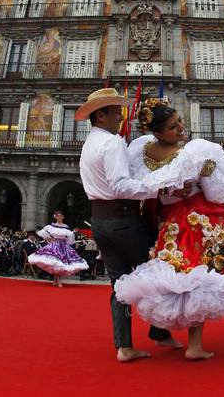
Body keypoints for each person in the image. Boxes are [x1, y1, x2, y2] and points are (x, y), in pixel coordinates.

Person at [114, 98, 224, 360]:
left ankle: (169, 336)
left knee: (184, 277)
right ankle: (194, 346)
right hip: (198, 220)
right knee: (203, 277)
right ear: (157, 132)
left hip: (169, 224)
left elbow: (143, 190)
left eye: (179, 121)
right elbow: (215, 191)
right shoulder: (191, 153)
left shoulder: (141, 153)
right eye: (173, 127)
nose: (180, 128)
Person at [78, 88, 184, 363]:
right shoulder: (111, 142)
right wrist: (160, 188)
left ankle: (124, 345)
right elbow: (120, 185)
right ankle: (159, 331)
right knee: (160, 272)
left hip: (100, 221)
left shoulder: (90, 142)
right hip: (124, 220)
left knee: (119, 284)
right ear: (100, 115)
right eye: (115, 111)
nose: (120, 116)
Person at [28, 210, 88, 287]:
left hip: (63, 246)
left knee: (59, 263)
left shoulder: (66, 227)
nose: (59, 217)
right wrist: (50, 238)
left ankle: (55, 280)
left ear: (63, 217)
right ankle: (58, 281)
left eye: (60, 216)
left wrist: (73, 233)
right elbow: (44, 233)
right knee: (55, 263)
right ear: (55, 217)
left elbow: (69, 238)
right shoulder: (51, 227)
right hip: (54, 245)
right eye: (58, 216)